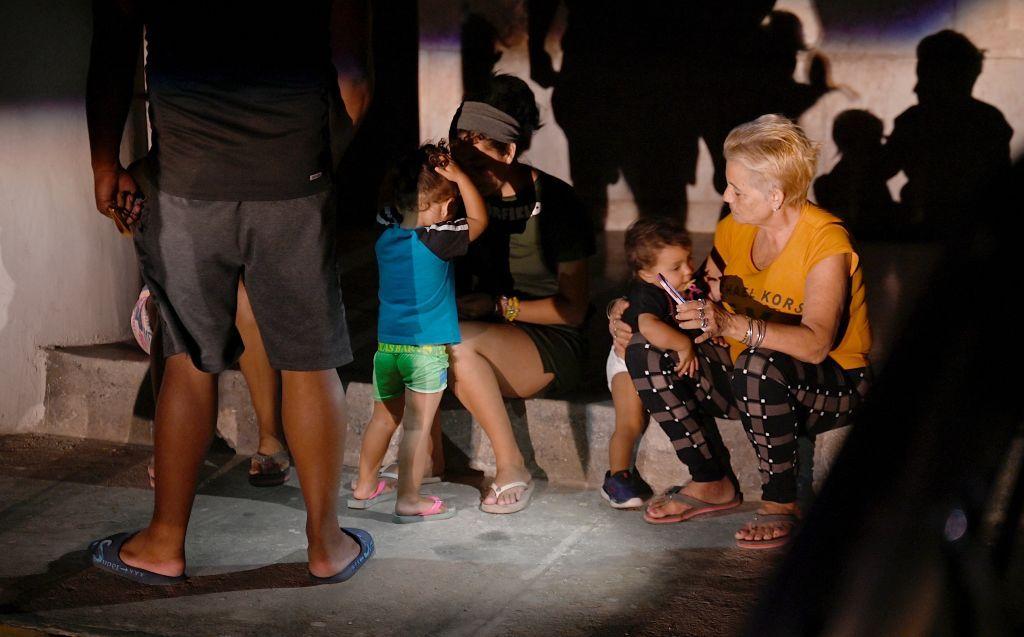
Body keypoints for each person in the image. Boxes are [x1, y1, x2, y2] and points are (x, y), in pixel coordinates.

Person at [86, 1, 372, 584]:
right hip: (294, 177)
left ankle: (164, 541)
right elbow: (354, 77)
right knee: (310, 363)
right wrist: (311, 164)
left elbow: (114, 49)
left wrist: (103, 164)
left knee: (189, 361)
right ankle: (325, 544)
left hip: (188, 181)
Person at [611, 114, 871, 548]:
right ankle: (710, 481)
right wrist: (628, 310)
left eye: (737, 189)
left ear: (776, 195)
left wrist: (734, 324)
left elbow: (816, 344)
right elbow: (691, 293)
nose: (726, 195)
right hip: (749, 380)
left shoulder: (825, 242)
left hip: (831, 385)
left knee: (757, 361)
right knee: (645, 350)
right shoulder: (734, 228)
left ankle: (780, 503)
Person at [447, 74, 596, 513]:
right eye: (461, 163)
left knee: (456, 342)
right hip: (482, 326)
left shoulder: (558, 203)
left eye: (478, 164)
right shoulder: (458, 197)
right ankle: (419, 463)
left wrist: (497, 306)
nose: (467, 176)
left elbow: (572, 310)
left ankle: (512, 466)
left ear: (509, 151)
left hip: (548, 336)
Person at [348, 143, 487, 522]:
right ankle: (409, 498)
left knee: (383, 419)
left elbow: (394, 203)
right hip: (424, 352)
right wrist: (459, 178)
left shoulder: (385, 229)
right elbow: (480, 221)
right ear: (444, 207)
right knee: (415, 427)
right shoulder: (441, 239)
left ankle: (363, 486)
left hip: (386, 348)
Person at [132, 282, 291, 488]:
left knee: (244, 295)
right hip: (174, 303)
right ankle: (170, 443)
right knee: (172, 300)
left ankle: (271, 438)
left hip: (245, 313)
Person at [601, 217, 706, 509]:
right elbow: (648, 327)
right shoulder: (647, 294)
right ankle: (617, 478)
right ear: (646, 273)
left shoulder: (681, 285)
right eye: (676, 267)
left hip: (656, 367)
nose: (687, 271)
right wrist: (684, 344)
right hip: (626, 366)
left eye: (689, 260)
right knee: (630, 422)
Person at [881, 30, 1012, 241]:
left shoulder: (914, 121)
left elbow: (881, 169)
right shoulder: (989, 120)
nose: (916, 88)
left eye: (924, 76)